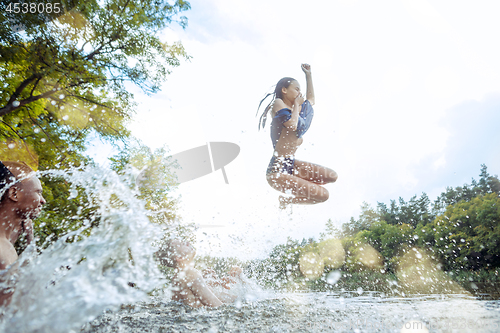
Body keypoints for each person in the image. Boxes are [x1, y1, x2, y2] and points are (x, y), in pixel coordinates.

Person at [257, 64, 338, 208]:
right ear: (284, 90)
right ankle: (288, 201)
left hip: (291, 164)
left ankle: (291, 195)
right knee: (324, 195)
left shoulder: (297, 109)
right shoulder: (278, 103)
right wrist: (295, 106)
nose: (300, 92)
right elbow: (292, 125)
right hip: (277, 171)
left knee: (332, 176)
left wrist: (309, 75)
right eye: (296, 89)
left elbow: (311, 101)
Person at [0, 161, 46, 306]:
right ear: (14, 193)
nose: (43, 201)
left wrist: (29, 240)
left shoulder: (6, 244)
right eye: (38, 192)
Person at [155, 239, 242, 307]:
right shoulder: (189, 274)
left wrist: (207, 282)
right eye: (182, 244)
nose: (188, 242)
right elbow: (216, 306)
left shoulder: (180, 276)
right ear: (179, 257)